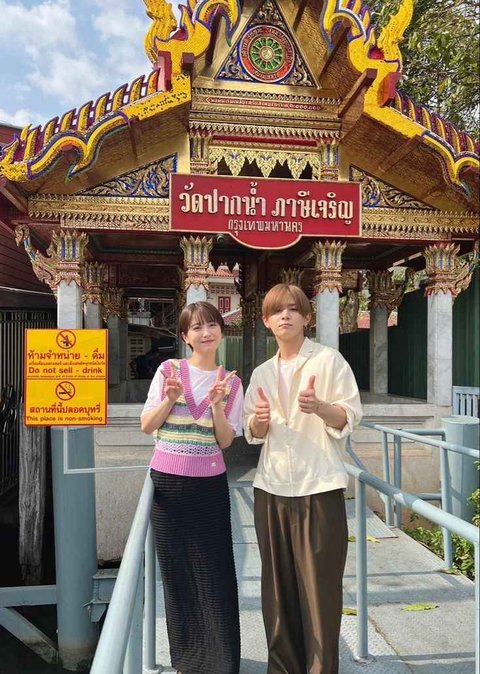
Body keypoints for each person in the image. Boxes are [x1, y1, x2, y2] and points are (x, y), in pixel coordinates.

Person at [243, 284, 363, 674]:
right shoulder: (261, 373)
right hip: (271, 489)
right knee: (277, 592)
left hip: (319, 487)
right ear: (266, 321)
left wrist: (321, 407)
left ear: (307, 318)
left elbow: (348, 417)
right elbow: (252, 430)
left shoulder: (329, 361)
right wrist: (259, 422)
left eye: (293, 309)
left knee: (319, 592)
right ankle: (282, 668)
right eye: (277, 311)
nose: (285, 316)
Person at [141, 301, 243, 674]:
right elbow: (147, 426)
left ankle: (221, 661)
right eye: (197, 327)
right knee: (177, 571)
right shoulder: (168, 371)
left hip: (209, 487)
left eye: (212, 325)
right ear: (185, 336)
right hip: (167, 486)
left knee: (216, 570)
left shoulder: (231, 382)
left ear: (221, 331)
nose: (206, 333)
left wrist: (216, 406)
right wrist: (169, 399)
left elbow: (226, 440)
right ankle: (188, 659)